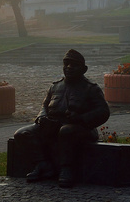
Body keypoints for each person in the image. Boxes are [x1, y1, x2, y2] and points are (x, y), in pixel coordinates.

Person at [14, 49, 110, 188]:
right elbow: (44, 105)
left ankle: (66, 168)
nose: (69, 67)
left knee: (66, 131)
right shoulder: (55, 86)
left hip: (80, 128)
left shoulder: (90, 89)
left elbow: (103, 111)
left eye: (74, 65)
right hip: (52, 125)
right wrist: (42, 117)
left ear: (84, 69)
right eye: (66, 64)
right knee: (22, 133)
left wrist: (81, 118)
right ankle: (43, 165)